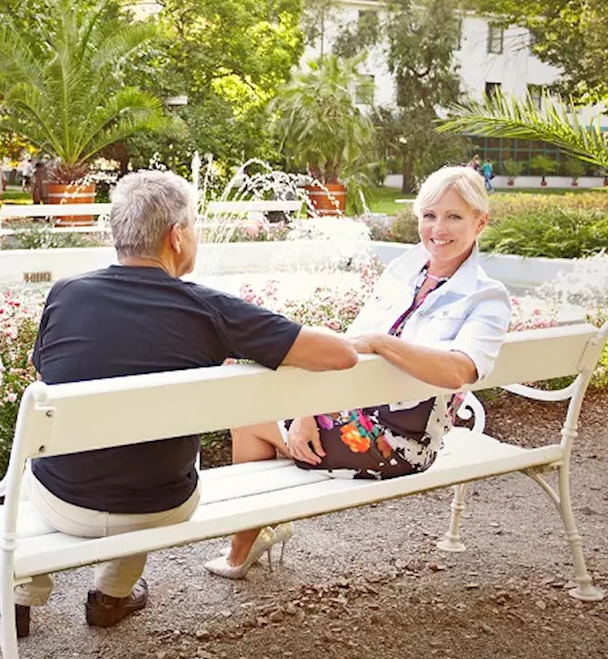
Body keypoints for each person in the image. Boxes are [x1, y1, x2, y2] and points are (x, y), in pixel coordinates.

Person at [18, 170, 358, 635]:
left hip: (64, 502)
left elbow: (47, 377)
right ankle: (111, 597)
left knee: (38, 455)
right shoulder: (211, 310)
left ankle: (21, 594)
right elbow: (340, 355)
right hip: (165, 502)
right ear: (176, 237)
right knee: (143, 463)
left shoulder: (65, 294)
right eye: (194, 226)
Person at [206, 166, 511, 579]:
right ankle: (256, 531)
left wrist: (382, 343)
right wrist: (308, 411)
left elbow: (460, 370)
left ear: (481, 221)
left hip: (400, 441)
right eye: (429, 215)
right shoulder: (403, 273)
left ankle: (243, 547)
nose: (438, 228)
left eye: (454, 217)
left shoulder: (487, 298)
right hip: (358, 417)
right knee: (260, 393)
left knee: (247, 417)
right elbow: (345, 350)